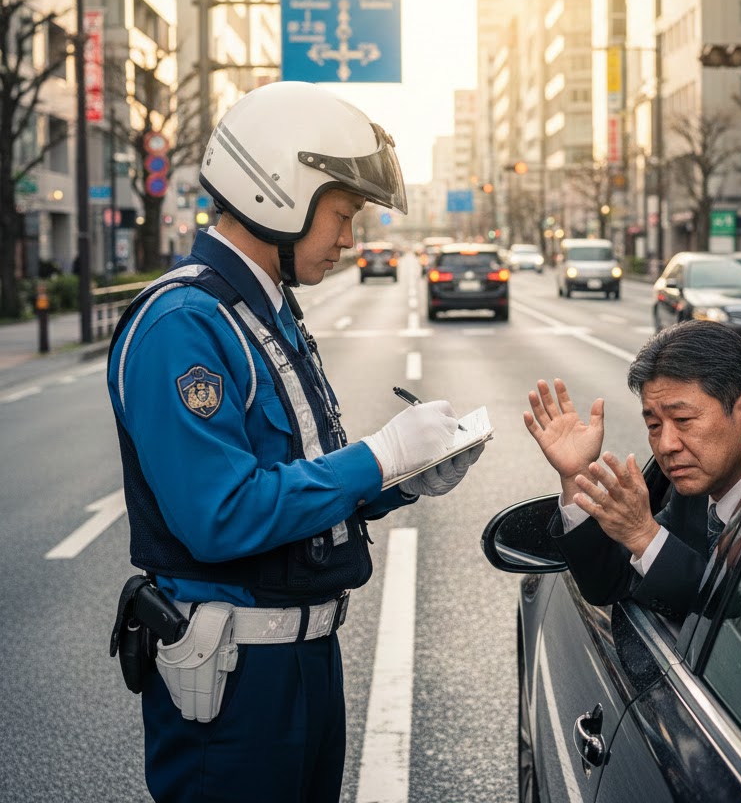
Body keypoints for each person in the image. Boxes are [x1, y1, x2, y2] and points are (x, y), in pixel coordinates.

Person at [106, 82, 485, 803]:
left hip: (302, 657)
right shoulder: (184, 323)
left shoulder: (264, 310)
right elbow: (220, 515)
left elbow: (297, 475)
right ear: (278, 191)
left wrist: (400, 477)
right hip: (234, 678)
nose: (349, 240)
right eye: (342, 216)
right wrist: (378, 456)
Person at [523, 321, 741, 619]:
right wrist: (576, 476)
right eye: (653, 425)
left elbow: (728, 608)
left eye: (683, 420)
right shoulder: (691, 494)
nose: (665, 445)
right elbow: (610, 585)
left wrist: (643, 534)